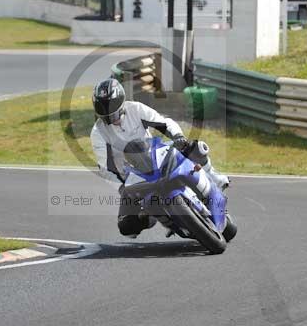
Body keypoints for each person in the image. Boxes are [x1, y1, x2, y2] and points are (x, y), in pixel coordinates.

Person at [90, 78, 229, 238]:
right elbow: (105, 168)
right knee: (127, 227)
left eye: (113, 109)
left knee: (195, 148)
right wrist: (121, 188)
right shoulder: (98, 132)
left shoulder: (135, 109)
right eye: (105, 112)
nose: (110, 116)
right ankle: (153, 217)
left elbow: (163, 123)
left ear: (121, 101)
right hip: (132, 176)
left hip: (154, 156)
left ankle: (213, 177)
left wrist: (178, 137)